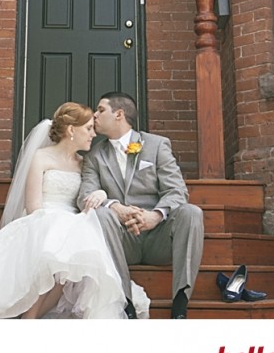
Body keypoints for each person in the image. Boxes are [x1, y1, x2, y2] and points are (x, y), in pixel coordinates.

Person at [0, 102, 149, 319]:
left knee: (69, 256)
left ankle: (32, 318)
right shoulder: (41, 157)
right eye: (88, 128)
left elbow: (92, 192)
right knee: (55, 249)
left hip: (75, 223)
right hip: (42, 219)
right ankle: (29, 317)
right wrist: (56, 226)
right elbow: (33, 206)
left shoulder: (85, 163)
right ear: (71, 130)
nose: (93, 134)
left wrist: (102, 195)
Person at [78, 92, 204, 319]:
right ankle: (125, 303)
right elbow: (85, 195)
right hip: (122, 240)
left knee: (192, 212)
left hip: (158, 238)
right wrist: (115, 207)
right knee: (102, 214)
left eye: (100, 110)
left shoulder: (156, 145)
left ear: (119, 114)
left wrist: (155, 215)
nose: (94, 115)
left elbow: (176, 190)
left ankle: (180, 303)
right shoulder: (95, 156)